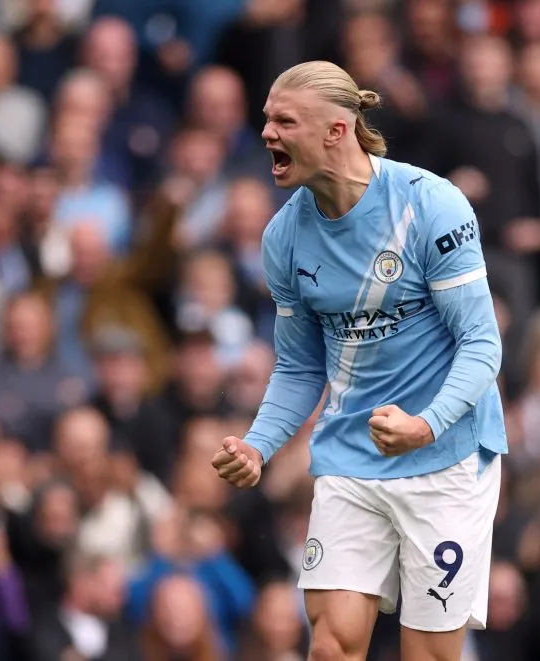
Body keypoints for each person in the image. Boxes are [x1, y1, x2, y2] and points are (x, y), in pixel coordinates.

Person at [211, 61, 508, 661]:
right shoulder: (283, 238)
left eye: (283, 121)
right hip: (351, 457)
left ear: (336, 131)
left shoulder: (430, 206)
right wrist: (258, 446)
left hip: (446, 462)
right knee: (331, 647)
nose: (266, 132)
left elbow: (482, 344)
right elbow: (298, 368)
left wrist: (425, 424)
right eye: (266, 119)